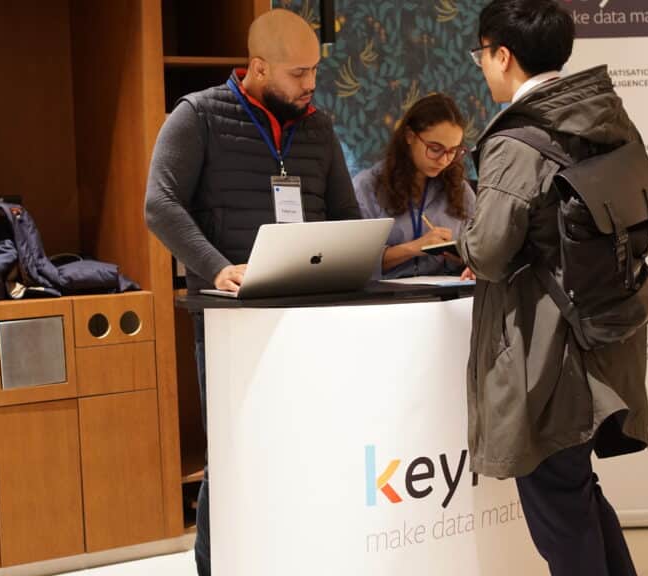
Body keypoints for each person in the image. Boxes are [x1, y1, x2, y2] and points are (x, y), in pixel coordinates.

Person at [143, 9, 360, 575]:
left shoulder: (318, 128)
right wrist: (216, 269)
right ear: (259, 68)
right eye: (298, 73)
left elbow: (346, 213)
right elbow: (160, 205)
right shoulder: (198, 115)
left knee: (305, 450)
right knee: (235, 452)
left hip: (312, 317)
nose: (311, 83)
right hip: (231, 322)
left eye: (315, 70)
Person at [458, 1, 648, 574]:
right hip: (606, 336)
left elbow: (489, 251)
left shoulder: (517, 140)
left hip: (546, 354)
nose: (482, 66)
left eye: (481, 54)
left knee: (561, 513)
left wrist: (461, 239)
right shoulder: (608, 118)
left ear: (502, 55)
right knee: (574, 492)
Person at [351, 94, 476, 278]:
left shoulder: (460, 189)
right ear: (410, 136)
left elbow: (480, 249)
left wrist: (466, 260)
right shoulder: (368, 186)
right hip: (385, 294)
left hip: (446, 293)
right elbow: (354, 263)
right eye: (435, 149)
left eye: (453, 151)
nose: (444, 160)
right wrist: (414, 248)